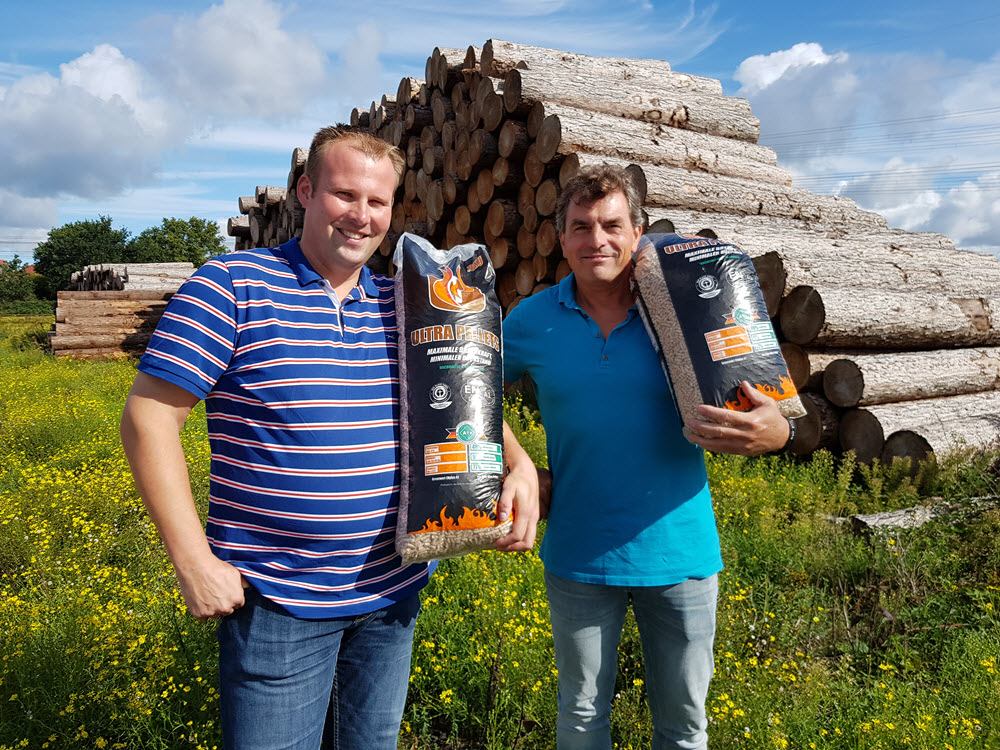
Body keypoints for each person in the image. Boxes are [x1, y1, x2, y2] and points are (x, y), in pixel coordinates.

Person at [120, 127, 539, 750]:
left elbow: (461, 390)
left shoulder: (407, 300)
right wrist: (191, 560)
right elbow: (149, 417)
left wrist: (521, 463)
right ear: (305, 191)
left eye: (378, 202)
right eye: (345, 195)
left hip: (391, 594)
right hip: (277, 602)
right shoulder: (232, 285)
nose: (361, 216)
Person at [502, 164, 792, 750]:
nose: (596, 241)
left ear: (638, 232)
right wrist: (520, 462)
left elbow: (773, 412)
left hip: (680, 553)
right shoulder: (530, 322)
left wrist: (776, 432)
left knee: (683, 726)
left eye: (611, 225)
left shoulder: (687, 312)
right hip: (578, 553)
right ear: (561, 239)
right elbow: (469, 393)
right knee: (582, 716)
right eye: (580, 227)